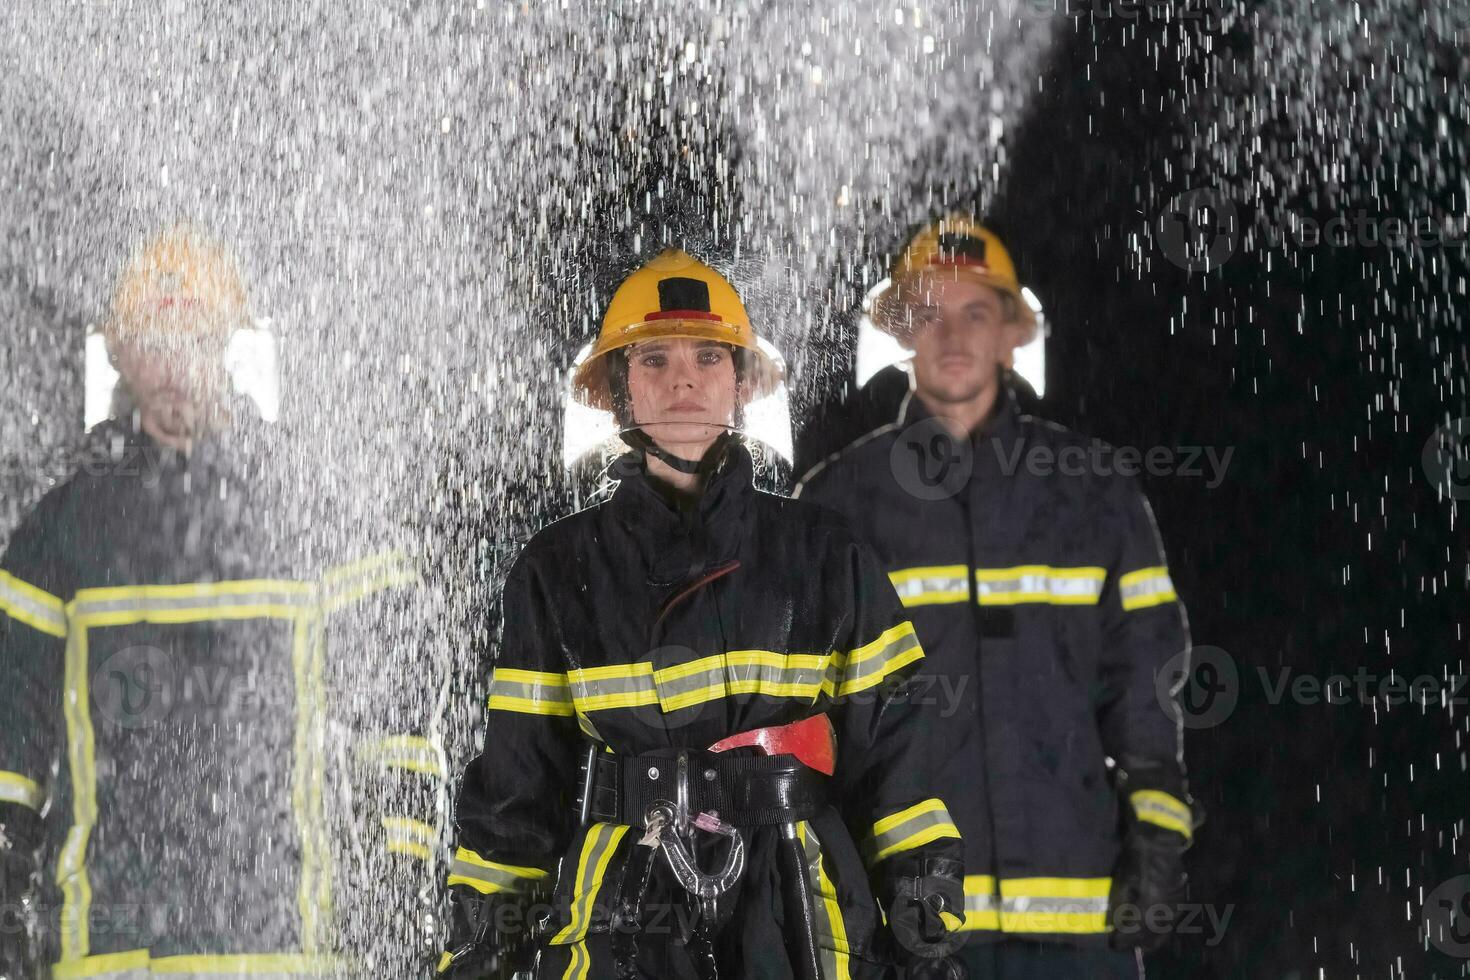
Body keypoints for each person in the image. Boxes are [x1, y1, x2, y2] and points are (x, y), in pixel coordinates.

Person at [439, 248, 965, 980]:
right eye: (652, 360)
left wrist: (920, 905)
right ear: (621, 392)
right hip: (623, 916)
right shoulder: (557, 570)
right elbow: (519, 784)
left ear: (740, 385)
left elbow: (897, 755)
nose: (683, 378)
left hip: (799, 908)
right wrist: (484, 941)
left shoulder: (824, 553)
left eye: (709, 357)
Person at [0, 226, 441, 979]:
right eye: (153, 339)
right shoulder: (59, 534)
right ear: (119, 353)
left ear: (226, 344)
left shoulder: (317, 518)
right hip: (107, 958)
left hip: (289, 954)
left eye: (193, 337)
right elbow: (11, 736)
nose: (174, 363)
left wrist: (404, 876)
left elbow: (400, 711)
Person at [794, 216, 1193, 979]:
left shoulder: (1095, 491)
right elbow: (809, 711)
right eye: (930, 313)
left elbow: (1147, 680)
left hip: (1081, 917)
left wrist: (1159, 828)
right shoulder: (837, 507)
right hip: (914, 920)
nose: (952, 335)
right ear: (902, 334)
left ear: (1012, 334)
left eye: (975, 312)